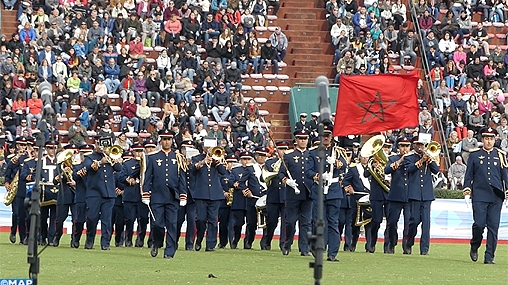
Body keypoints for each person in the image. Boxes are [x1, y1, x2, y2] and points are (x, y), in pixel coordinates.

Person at [463, 127, 508, 264]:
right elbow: (468, 175)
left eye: (491, 138)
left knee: (493, 227)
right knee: (479, 224)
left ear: (495, 140)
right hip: (480, 195)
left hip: (496, 196)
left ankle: (489, 256)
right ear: (482, 140)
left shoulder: (500, 154)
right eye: (486, 138)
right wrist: (467, 191)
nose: (489, 141)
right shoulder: (475, 155)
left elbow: (505, 177)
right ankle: (475, 244)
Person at [143, 130, 187, 258]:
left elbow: (181, 177)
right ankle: (156, 243)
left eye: (169, 139)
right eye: (164, 139)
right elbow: (148, 177)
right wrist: (146, 193)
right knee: (157, 224)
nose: (167, 142)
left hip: (172, 196)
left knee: (172, 224)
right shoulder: (153, 157)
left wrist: (183, 194)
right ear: (161, 141)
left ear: (172, 140)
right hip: (157, 196)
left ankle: (169, 251)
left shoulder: (178, 157)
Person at [305, 125, 346, 261]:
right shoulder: (313, 153)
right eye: (324, 135)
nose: (326, 138)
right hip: (319, 189)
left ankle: (332, 253)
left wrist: (337, 163)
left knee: (333, 222)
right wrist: (317, 175)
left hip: (334, 189)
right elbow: (308, 171)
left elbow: (344, 165)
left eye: (329, 135)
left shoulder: (338, 152)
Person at [83, 137, 123, 250]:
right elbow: (87, 167)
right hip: (94, 192)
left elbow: (119, 168)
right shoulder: (90, 157)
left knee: (107, 220)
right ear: (96, 144)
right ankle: (89, 239)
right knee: (92, 218)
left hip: (109, 193)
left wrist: (112, 157)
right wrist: (100, 162)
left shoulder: (110, 156)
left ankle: (105, 243)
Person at [279, 130, 313, 256]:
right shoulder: (288, 156)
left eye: (305, 138)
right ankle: (287, 244)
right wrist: (287, 181)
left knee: (306, 223)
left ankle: (304, 249)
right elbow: (281, 173)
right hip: (292, 194)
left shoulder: (311, 156)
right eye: (300, 138)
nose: (303, 140)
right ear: (296, 140)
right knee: (291, 222)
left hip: (308, 193)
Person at [403, 137, 440, 255]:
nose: (421, 147)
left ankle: (424, 249)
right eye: (418, 144)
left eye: (423, 145)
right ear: (414, 145)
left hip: (427, 194)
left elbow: (436, 170)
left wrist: (429, 160)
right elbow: (410, 169)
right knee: (414, 221)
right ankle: (409, 242)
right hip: (414, 194)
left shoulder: (430, 157)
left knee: (426, 222)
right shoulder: (409, 158)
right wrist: (421, 161)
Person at [190, 140, 228, 251]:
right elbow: (192, 170)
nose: (210, 149)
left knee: (213, 221)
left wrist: (218, 163)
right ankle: (199, 238)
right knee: (201, 220)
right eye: (208, 147)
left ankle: (210, 245)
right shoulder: (197, 158)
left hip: (215, 194)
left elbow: (224, 172)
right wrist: (203, 162)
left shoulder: (218, 158)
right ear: (204, 147)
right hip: (201, 194)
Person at [384, 137, 411, 254]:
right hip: (395, 195)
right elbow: (387, 170)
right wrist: (400, 161)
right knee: (392, 222)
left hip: (409, 195)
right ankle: (392, 243)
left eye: (407, 146)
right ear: (398, 147)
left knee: (409, 223)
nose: (404, 148)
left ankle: (406, 246)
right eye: (402, 146)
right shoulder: (393, 158)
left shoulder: (413, 159)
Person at [229, 151, 261, 249]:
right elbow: (231, 181)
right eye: (244, 159)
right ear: (240, 160)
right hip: (240, 200)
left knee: (252, 224)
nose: (246, 161)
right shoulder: (236, 170)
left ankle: (248, 242)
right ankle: (236, 239)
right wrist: (242, 188)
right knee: (238, 224)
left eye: (248, 159)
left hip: (252, 200)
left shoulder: (256, 169)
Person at [342, 154, 373, 253]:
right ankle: (352, 244)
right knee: (356, 223)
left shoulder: (372, 169)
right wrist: (349, 188)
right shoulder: (354, 169)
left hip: (370, 198)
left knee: (369, 223)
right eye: (363, 156)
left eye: (367, 157)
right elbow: (345, 181)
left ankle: (369, 246)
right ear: (360, 157)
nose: (365, 159)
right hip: (357, 198)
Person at [118, 144, 143, 247]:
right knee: (130, 219)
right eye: (136, 151)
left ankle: (140, 239)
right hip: (130, 195)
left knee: (143, 219)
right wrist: (128, 180)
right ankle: (128, 239)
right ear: (133, 152)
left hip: (142, 196)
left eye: (140, 151)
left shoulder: (146, 163)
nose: (138, 153)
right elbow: (121, 176)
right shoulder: (127, 164)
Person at [52, 144, 77, 247]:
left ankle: (74, 239)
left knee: (76, 219)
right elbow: (54, 181)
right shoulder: (59, 166)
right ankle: (57, 236)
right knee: (59, 219)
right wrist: (62, 174)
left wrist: (76, 183)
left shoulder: (78, 165)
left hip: (76, 195)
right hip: (63, 194)